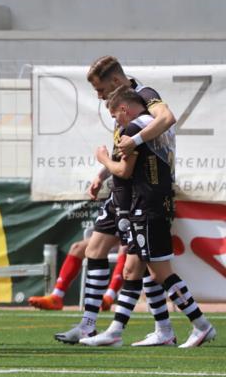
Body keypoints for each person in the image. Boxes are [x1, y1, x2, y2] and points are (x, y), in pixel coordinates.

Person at [80, 86, 216, 348]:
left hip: (146, 205)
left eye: (114, 115)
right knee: (141, 269)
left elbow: (124, 171)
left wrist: (103, 160)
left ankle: (201, 324)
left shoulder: (132, 131)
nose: (115, 123)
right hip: (159, 202)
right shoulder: (153, 124)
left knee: (160, 272)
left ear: (123, 108)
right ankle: (131, 330)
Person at [55, 56, 175, 347]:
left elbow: (167, 118)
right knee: (95, 249)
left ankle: (172, 327)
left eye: (100, 90)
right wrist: (102, 173)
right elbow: (122, 147)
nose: (98, 97)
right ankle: (88, 325)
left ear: (116, 82)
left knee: (143, 265)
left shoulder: (145, 96)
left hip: (144, 191)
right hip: (121, 187)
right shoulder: (124, 106)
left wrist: (133, 144)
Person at [28, 237, 126, 311]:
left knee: (125, 247)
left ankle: (109, 298)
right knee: (77, 247)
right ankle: (56, 297)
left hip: (133, 226)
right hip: (115, 224)